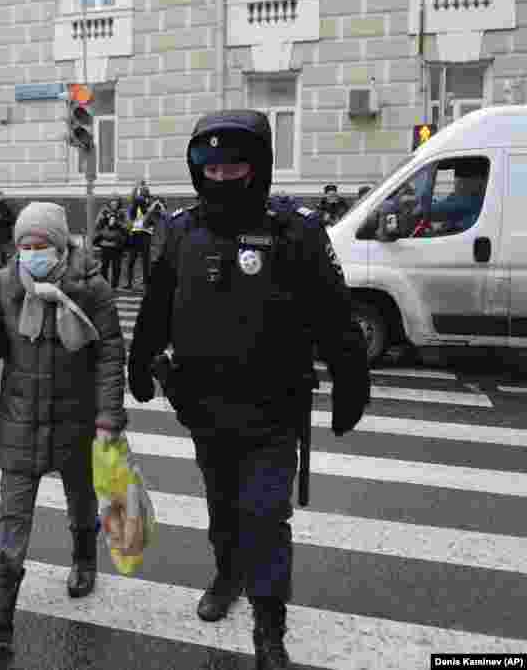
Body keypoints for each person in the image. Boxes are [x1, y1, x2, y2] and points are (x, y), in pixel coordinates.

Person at [127, 110, 370, 670]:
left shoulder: (296, 231)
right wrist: (141, 361)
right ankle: (227, 573)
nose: (220, 175)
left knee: (265, 514)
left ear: (257, 167)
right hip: (203, 406)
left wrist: (350, 379)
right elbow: (156, 306)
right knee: (223, 509)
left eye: (233, 164)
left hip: (273, 408)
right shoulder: (181, 231)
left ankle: (269, 625)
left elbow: (334, 316)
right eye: (209, 165)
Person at [0, 202, 127, 644]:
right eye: (24, 245)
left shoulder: (90, 287)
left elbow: (108, 354)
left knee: (81, 499)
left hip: (77, 420)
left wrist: (107, 417)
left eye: (41, 244)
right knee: (12, 513)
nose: (31, 252)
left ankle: (84, 560)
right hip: (21, 419)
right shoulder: (6, 284)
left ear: (61, 245)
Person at [123, 189, 157, 290]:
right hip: (135, 234)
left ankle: (146, 283)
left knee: (145, 261)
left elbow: (153, 219)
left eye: (144, 196)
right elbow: (130, 218)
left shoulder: (151, 206)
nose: (142, 199)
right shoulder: (134, 207)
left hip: (145, 234)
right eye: (141, 197)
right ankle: (129, 282)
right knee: (131, 260)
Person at [93, 197, 128, 287]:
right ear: (109, 203)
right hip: (105, 244)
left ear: (119, 204)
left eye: (116, 203)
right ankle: (104, 285)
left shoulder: (122, 213)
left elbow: (127, 226)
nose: (114, 205)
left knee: (117, 267)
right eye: (112, 203)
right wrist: (104, 218)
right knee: (104, 266)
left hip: (117, 245)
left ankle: (114, 286)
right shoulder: (104, 212)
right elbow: (97, 225)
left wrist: (118, 222)